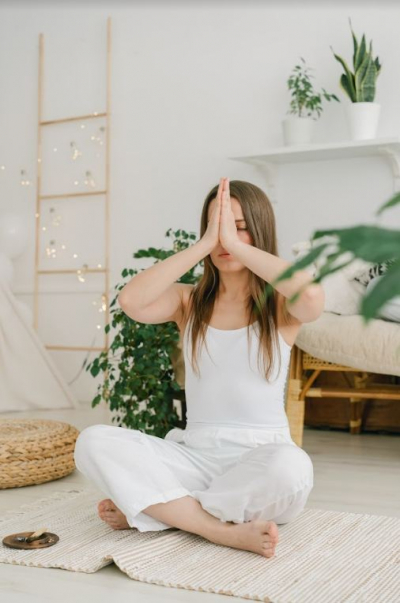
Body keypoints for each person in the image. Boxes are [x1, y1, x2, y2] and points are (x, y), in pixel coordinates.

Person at [74, 177, 325, 559]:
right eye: (216, 227)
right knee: (92, 441)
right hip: (194, 457)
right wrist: (207, 243)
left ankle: (162, 509)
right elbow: (131, 300)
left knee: (293, 468)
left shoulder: (278, 306)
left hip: (261, 460)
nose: (226, 239)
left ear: (259, 231)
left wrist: (237, 243)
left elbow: (311, 295)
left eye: (239, 227)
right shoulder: (188, 301)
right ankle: (217, 528)